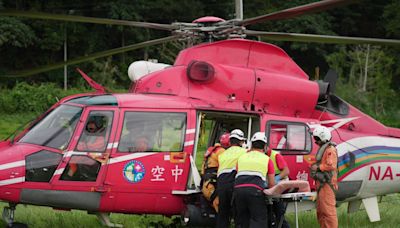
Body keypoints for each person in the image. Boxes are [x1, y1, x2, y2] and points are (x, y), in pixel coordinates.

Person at [234, 132, 275, 228]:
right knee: (258, 219)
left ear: (251, 144)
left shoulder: (241, 158)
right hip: (255, 191)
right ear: (265, 146)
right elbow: (272, 184)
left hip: (238, 191)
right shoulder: (267, 159)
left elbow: (238, 173)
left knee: (243, 220)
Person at [216, 129, 247, 228]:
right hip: (234, 184)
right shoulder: (244, 152)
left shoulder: (223, 154)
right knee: (238, 214)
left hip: (221, 185)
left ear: (230, 141)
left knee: (223, 214)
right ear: (241, 141)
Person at [310, 126, 338, 228]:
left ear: (323, 137)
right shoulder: (325, 149)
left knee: (328, 213)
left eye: (317, 139)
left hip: (327, 185)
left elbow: (331, 165)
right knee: (321, 212)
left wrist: (317, 167)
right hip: (322, 185)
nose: (316, 141)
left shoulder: (330, 149)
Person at [201, 133, 230, 212]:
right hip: (212, 184)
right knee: (217, 203)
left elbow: (203, 169)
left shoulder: (211, 150)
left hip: (206, 183)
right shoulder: (222, 152)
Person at [267, 148, 290, 228]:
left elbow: (286, 171)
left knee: (278, 210)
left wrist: (276, 178)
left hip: (280, 182)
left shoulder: (276, 155)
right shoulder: (261, 154)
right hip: (271, 184)